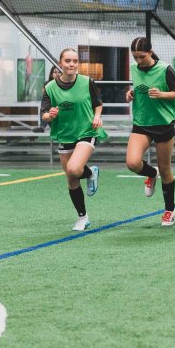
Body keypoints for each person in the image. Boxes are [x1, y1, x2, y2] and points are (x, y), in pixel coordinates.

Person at [40, 48, 107, 231]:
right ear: (60, 63)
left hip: (87, 130)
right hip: (64, 133)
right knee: (71, 178)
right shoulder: (50, 88)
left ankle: (89, 172)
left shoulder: (87, 82)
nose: (72, 64)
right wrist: (50, 115)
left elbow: (98, 104)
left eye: (75, 61)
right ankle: (83, 217)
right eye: (68, 61)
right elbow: (44, 115)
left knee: (74, 168)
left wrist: (97, 116)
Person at [124, 37, 175, 226]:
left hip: (163, 123)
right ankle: (151, 174)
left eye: (141, 57)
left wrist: (162, 94)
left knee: (165, 169)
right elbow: (137, 88)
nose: (138, 61)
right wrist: (131, 93)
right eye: (135, 57)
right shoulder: (134, 68)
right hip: (141, 122)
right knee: (132, 163)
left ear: (150, 52)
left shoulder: (164, 69)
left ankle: (169, 209)